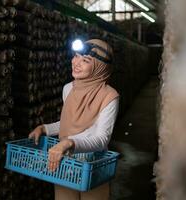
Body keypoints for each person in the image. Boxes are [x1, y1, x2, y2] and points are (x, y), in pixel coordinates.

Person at [28, 39, 120, 200]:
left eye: (85, 60)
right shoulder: (68, 88)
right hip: (64, 161)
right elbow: (68, 122)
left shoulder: (110, 96)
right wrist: (45, 129)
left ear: (100, 67)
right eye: (76, 56)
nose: (76, 63)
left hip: (92, 166)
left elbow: (102, 139)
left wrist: (70, 143)